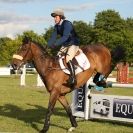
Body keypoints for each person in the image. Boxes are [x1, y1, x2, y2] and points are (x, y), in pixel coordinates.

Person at [48, 8, 80, 87]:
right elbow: (53, 37)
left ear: (61, 17)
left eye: (56, 17)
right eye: (54, 17)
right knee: (57, 57)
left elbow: (65, 36)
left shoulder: (67, 24)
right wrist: (47, 45)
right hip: (66, 44)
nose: (54, 19)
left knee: (68, 58)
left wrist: (55, 44)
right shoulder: (56, 26)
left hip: (73, 43)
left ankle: (73, 78)